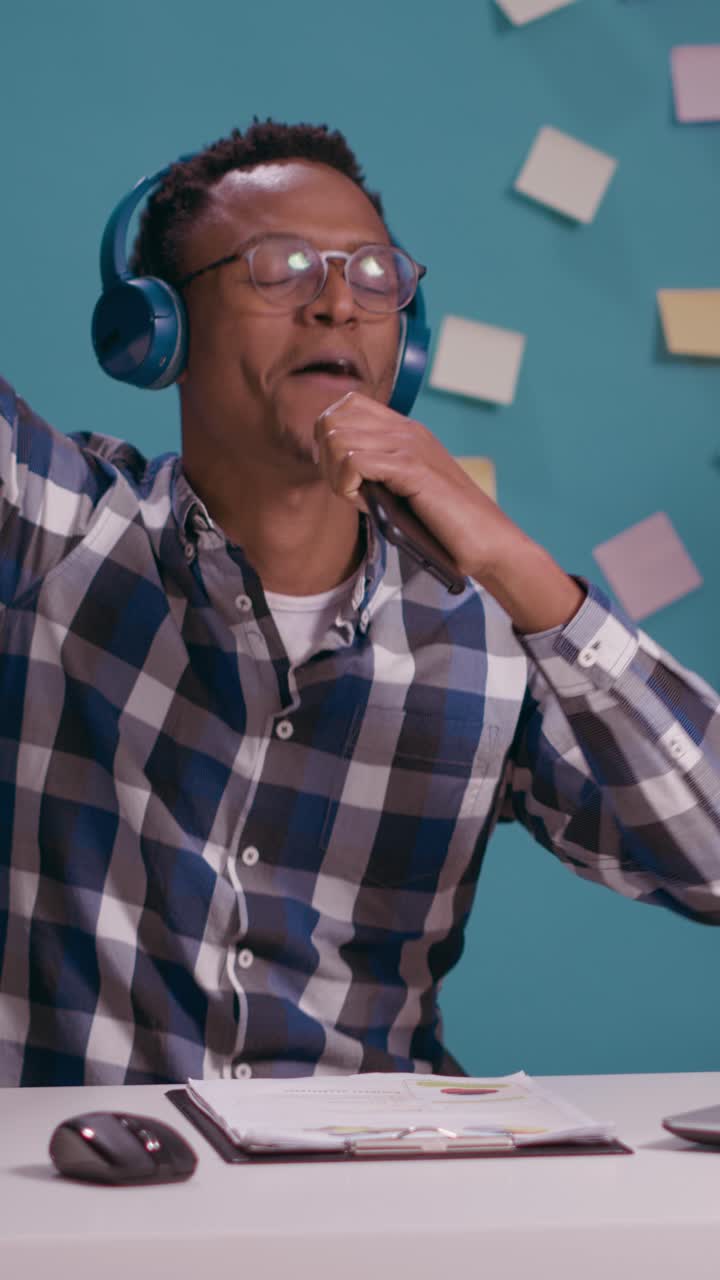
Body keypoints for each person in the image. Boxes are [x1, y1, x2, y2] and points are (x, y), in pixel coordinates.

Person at [1, 120, 719, 1088]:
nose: (337, 302)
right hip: (79, 1201)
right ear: (156, 331)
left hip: (362, 1201)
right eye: (280, 266)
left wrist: (520, 565)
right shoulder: (56, 527)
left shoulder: (494, 633)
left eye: (375, 276)